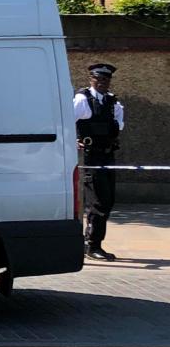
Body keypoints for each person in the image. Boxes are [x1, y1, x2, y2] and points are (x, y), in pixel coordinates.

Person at [74, 63, 125, 261]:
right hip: (90, 156)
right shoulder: (82, 99)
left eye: (106, 79)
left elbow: (118, 126)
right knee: (98, 202)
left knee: (108, 200)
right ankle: (92, 245)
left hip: (107, 155)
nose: (102, 82)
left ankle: (95, 243)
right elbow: (65, 121)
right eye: (98, 79)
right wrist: (73, 141)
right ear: (91, 79)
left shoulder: (113, 102)